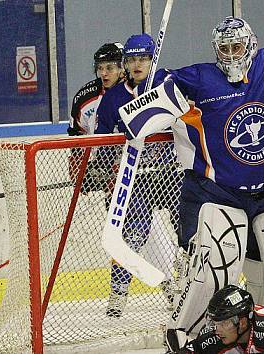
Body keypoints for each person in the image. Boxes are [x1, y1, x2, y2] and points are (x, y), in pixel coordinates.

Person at [113, 1, 264, 347]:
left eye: (236, 47)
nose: (230, 54)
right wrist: (145, 94)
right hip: (218, 194)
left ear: (251, 45)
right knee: (216, 267)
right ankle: (187, 338)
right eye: (223, 48)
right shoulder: (198, 79)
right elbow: (147, 104)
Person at [95, 33, 180, 317]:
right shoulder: (112, 100)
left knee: (188, 231)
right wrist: (102, 166)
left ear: (152, 59)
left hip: (170, 174)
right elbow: (101, 141)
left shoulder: (168, 85)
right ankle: (118, 296)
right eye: (131, 59)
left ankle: (183, 290)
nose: (136, 64)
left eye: (142, 58)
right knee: (132, 235)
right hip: (135, 179)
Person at [69, 42, 124, 136]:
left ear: (123, 68)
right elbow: (75, 136)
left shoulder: (135, 91)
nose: (103, 73)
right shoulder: (85, 97)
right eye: (100, 68)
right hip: (96, 150)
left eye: (109, 68)